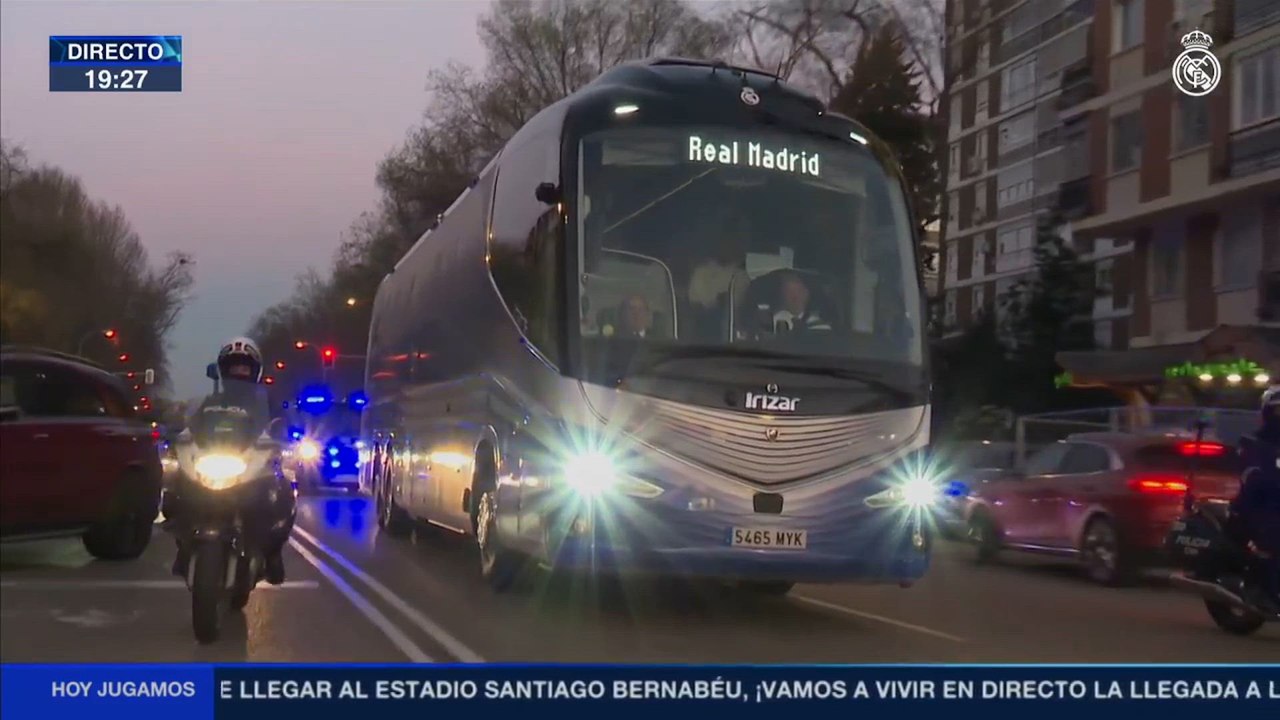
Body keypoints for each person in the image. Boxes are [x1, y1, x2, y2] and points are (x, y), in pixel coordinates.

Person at [167, 337, 295, 585]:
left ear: (254, 371)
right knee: (176, 489)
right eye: (233, 366)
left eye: (244, 367)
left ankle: (272, 555)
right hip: (212, 460)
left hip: (249, 463)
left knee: (282, 493)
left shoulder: (267, 403)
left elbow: (282, 425)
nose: (239, 372)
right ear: (223, 371)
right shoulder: (208, 403)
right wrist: (180, 434)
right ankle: (183, 548)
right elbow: (190, 427)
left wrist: (280, 436)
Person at [1231, 383, 1280, 611]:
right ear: (1268, 412)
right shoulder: (1252, 442)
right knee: (1273, 535)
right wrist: (1265, 480)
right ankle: (1262, 591)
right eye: (1279, 411)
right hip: (1259, 506)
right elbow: (1250, 475)